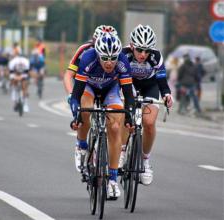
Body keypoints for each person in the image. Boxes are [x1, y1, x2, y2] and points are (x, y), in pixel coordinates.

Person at [70, 33, 135, 199]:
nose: (109, 62)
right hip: (89, 88)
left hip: (110, 89)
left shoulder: (122, 61)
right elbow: (76, 94)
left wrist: (128, 118)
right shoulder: (87, 58)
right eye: (105, 58)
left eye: (113, 58)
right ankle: (82, 145)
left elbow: (128, 95)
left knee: (114, 127)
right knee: (86, 109)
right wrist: (76, 116)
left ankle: (112, 180)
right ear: (98, 54)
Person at [120, 24, 173, 186]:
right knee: (126, 116)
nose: (143, 54)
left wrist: (166, 94)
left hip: (150, 86)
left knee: (149, 123)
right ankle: (121, 151)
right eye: (140, 50)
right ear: (132, 46)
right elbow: (118, 78)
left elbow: (162, 79)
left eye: (147, 51)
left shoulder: (156, 56)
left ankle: (144, 161)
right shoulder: (123, 54)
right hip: (128, 84)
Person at [63, 25, 118, 102]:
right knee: (84, 106)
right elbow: (69, 75)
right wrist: (71, 94)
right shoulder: (84, 51)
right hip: (87, 83)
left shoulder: (119, 54)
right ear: (93, 40)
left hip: (107, 85)